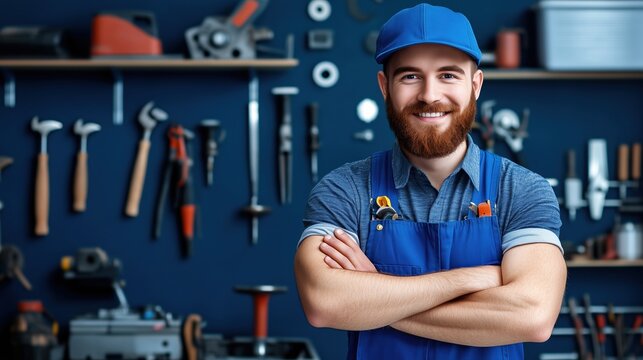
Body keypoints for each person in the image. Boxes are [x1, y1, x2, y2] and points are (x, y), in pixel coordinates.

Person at [294, 3, 567, 360]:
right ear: (384, 87)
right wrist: (473, 279)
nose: (429, 95)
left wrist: (376, 292)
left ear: (476, 85)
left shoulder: (521, 190)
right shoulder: (344, 190)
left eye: (448, 75)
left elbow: (532, 316)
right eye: (410, 76)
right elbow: (324, 303)